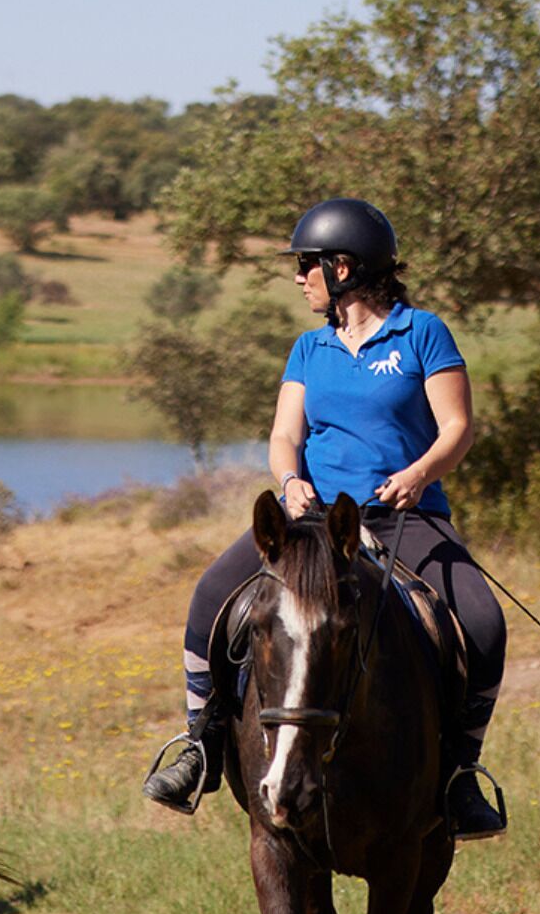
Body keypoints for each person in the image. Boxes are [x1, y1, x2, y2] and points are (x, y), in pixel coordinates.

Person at [139, 198, 509, 841]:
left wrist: (419, 474)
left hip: (400, 515)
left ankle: (460, 773)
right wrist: (290, 482)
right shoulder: (309, 348)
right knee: (209, 595)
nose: (297, 277)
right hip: (312, 523)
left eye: (306, 264)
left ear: (344, 268)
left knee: (482, 622)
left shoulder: (422, 333)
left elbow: (458, 427)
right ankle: (201, 744)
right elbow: (285, 435)